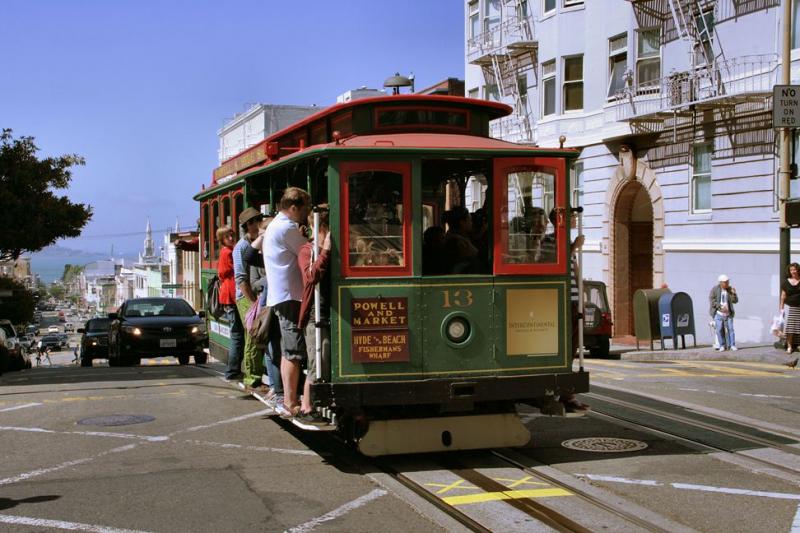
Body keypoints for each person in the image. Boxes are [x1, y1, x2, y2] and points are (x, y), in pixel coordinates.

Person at [264, 187, 312, 417]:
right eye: (305, 209)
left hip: (282, 295)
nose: (306, 214)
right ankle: (291, 403)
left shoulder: (276, 225)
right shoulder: (286, 228)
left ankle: (288, 399)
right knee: (294, 351)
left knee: (287, 351)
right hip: (290, 296)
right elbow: (309, 251)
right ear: (294, 207)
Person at [296, 205, 332, 426]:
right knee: (317, 359)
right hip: (314, 314)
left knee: (327, 357)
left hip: (334, 311)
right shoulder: (307, 250)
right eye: (327, 229)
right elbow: (310, 277)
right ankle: (306, 406)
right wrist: (325, 251)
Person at [234, 207, 268, 392]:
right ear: (249, 225)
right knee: (253, 336)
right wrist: (253, 301)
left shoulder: (255, 242)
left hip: (256, 294)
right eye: (257, 220)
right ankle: (252, 379)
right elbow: (241, 279)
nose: (260, 222)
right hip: (246, 297)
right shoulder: (241, 247)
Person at [217, 225, 243, 381]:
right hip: (231, 297)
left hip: (229, 297)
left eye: (232, 235)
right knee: (237, 336)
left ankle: (234, 369)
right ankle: (232, 370)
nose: (232, 238)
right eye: (228, 237)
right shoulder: (228, 253)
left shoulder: (226, 252)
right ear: (222, 240)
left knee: (237, 335)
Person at [443, 206, 478, 273]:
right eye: (470, 220)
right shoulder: (458, 242)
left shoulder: (454, 237)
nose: (472, 223)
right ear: (462, 222)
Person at [709, 274, 738, 352]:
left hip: (728, 314)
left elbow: (735, 301)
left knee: (730, 329)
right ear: (721, 282)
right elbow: (712, 301)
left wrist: (734, 294)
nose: (727, 283)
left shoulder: (730, 289)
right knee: (719, 329)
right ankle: (722, 345)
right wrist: (720, 307)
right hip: (718, 313)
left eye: (728, 282)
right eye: (725, 282)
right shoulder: (715, 290)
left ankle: (732, 345)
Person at [781, 262, 800, 359]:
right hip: (790, 307)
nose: (793, 271)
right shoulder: (786, 282)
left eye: (795, 269)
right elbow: (783, 296)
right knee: (790, 328)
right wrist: (781, 308)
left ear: (798, 270)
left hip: (799, 307)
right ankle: (789, 346)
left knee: (798, 328)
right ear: (789, 271)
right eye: (791, 270)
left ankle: (797, 345)